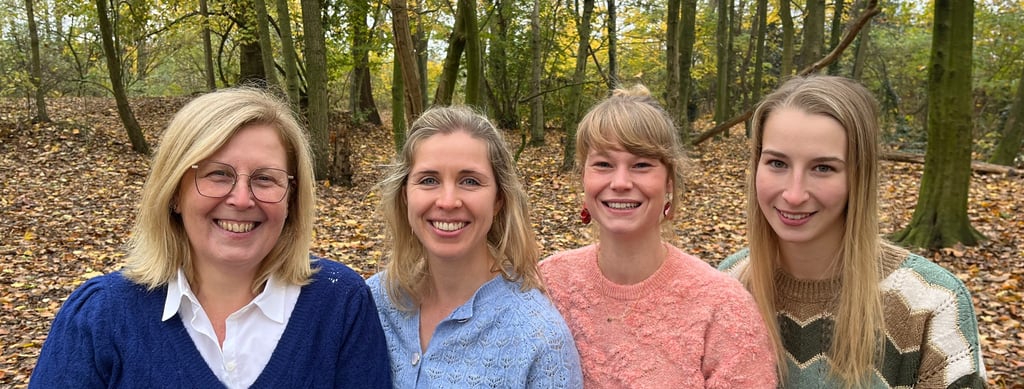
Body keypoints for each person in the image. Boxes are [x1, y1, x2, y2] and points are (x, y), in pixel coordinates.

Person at [30, 87, 391, 388]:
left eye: (266, 178)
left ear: (292, 199)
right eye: (218, 174)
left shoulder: (339, 303)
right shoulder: (100, 318)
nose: (241, 198)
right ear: (173, 192)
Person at [718, 75, 987, 388]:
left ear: (860, 177)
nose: (794, 194)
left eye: (823, 168)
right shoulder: (730, 284)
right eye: (777, 163)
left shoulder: (931, 304)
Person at [539, 85, 777, 388]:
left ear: (669, 181)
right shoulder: (546, 285)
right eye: (603, 164)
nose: (621, 182)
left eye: (641, 165)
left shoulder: (722, 307)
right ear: (583, 177)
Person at [366, 105, 583, 388]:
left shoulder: (538, 339)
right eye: (429, 180)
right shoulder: (370, 303)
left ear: (498, 199)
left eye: (470, 181)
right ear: (405, 194)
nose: (447, 201)